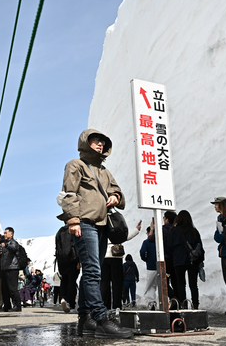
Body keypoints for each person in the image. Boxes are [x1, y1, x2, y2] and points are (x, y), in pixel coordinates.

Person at [58, 129, 133, 339]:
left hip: (102, 225)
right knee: (93, 272)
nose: (99, 144)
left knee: (91, 271)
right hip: (84, 223)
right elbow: (69, 194)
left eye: (102, 141)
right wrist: (73, 220)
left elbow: (117, 190)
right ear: (85, 142)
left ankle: (85, 319)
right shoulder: (75, 165)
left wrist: (116, 197)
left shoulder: (104, 171)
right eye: (95, 140)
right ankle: (101, 319)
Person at [166, 210, 203, 310]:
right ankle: (195, 304)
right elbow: (200, 246)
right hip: (193, 261)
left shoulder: (173, 231)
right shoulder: (194, 231)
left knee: (181, 284)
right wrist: (201, 260)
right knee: (193, 284)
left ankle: (183, 304)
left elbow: (169, 246)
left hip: (179, 261)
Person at [101, 221, 141, 311]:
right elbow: (125, 237)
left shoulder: (101, 228)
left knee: (104, 283)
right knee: (117, 283)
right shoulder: (116, 229)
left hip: (104, 256)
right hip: (116, 255)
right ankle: (116, 306)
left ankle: (105, 306)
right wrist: (136, 230)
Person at [55, 224, 80, 313]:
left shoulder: (59, 231)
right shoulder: (74, 229)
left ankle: (63, 298)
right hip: (72, 259)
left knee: (64, 280)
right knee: (72, 282)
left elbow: (57, 247)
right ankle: (72, 305)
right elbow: (77, 245)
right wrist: (78, 260)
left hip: (62, 261)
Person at [0, 227, 22, 312]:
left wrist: (6, 245)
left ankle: (17, 306)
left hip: (12, 268)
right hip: (5, 268)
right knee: (4, 289)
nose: (4, 234)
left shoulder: (13, 242)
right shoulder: (5, 243)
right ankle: (7, 306)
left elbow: (14, 248)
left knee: (12, 288)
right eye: (4, 233)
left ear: (11, 234)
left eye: (6, 233)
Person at [139, 222, 158, 306]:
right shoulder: (159, 242)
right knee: (156, 285)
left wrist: (146, 259)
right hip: (160, 266)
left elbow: (142, 252)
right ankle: (157, 302)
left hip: (150, 266)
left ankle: (151, 303)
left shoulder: (146, 242)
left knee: (150, 286)